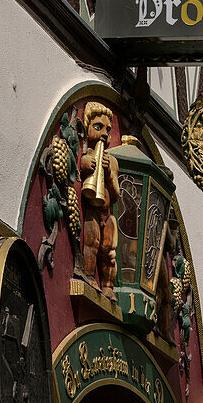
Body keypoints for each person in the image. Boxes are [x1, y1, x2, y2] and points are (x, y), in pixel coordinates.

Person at [79, 102, 120, 299]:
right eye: (98, 127)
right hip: (92, 209)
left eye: (108, 130)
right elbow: (83, 168)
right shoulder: (86, 154)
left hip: (107, 213)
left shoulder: (112, 161)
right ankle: (88, 275)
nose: (104, 133)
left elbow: (117, 193)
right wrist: (88, 165)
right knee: (92, 241)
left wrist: (110, 174)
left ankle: (108, 286)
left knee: (109, 250)